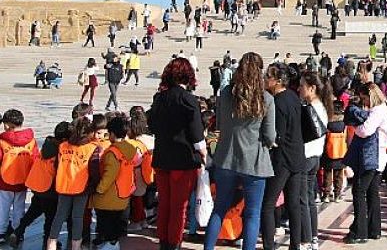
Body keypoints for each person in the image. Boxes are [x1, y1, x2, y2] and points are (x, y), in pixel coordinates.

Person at [205, 53, 276, 250]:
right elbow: (270, 135)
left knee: (219, 208)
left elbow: (219, 123)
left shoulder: (226, 93)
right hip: (254, 161)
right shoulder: (266, 99)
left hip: (226, 157)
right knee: (253, 213)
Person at [147, 57, 206, 249]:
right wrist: (203, 153)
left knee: (164, 203)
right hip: (184, 159)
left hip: (163, 157)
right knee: (179, 206)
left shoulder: (159, 98)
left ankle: (164, 241)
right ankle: (174, 242)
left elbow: (152, 126)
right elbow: (196, 133)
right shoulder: (188, 99)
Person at [261, 63, 304, 250]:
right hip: (297, 155)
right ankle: (295, 244)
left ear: (278, 81)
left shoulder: (277, 102)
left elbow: (276, 133)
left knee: (268, 203)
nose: (264, 79)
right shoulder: (294, 97)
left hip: (283, 158)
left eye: (267, 76)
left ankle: (269, 245)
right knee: (293, 203)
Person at [343, 83, 387, 244]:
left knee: (359, 191)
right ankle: (374, 229)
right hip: (377, 156)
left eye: (364, 98)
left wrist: (356, 127)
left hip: (372, 157)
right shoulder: (383, 109)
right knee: (372, 193)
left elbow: (365, 130)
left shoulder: (378, 111)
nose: (364, 102)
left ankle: (360, 231)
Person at [10, 121, 70, 247]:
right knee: (50, 218)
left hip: (37, 186)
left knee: (33, 211)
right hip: (50, 190)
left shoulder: (48, 144)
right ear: (65, 138)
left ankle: (18, 231)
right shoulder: (60, 150)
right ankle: (47, 242)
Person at [47, 117, 101, 250]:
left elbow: (57, 165)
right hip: (81, 187)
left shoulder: (63, 146)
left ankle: (51, 243)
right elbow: (94, 171)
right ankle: (76, 246)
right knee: (77, 218)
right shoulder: (92, 148)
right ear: (89, 132)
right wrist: (96, 185)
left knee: (59, 216)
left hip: (64, 185)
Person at [298, 72, 332, 250]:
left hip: (307, 157)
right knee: (309, 199)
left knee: (303, 199)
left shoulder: (312, 108)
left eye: (302, 85)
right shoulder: (321, 107)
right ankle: (312, 237)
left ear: (311, 88)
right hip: (315, 157)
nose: (299, 88)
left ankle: (305, 239)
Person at [92, 116, 137, 250]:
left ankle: (110, 243)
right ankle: (113, 241)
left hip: (110, 194)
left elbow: (109, 174)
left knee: (106, 221)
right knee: (117, 221)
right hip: (124, 192)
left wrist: (99, 189)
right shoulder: (129, 149)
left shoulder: (113, 153)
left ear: (112, 134)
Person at [0, 109, 38, 244]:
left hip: (4, 182)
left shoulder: (2, 141)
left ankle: (1, 231)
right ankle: (18, 232)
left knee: (3, 208)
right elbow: (35, 160)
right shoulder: (31, 141)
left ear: (7, 125)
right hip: (23, 181)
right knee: (19, 208)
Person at [322, 101, 347, 203]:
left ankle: (326, 194)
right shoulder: (343, 124)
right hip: (341, 152)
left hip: (328, 151)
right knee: (339, 175)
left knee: (327, 173)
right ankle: (337, 194)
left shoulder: (328, 123)